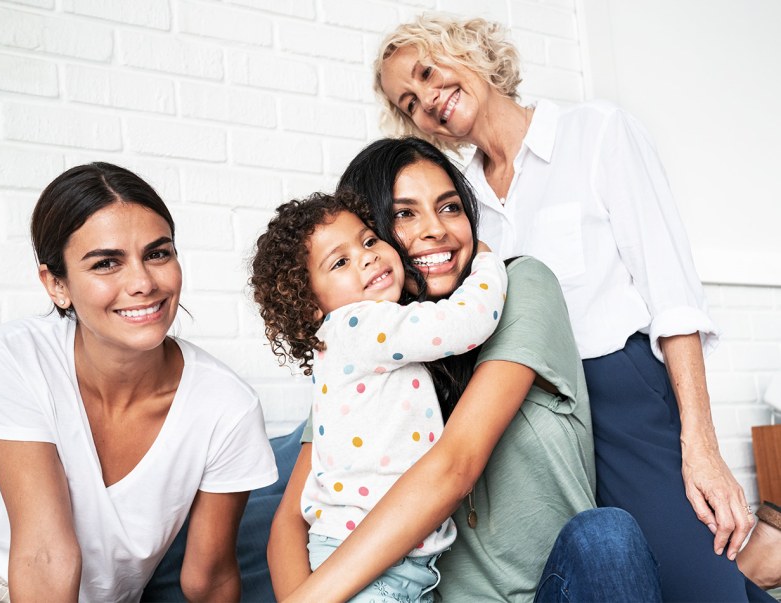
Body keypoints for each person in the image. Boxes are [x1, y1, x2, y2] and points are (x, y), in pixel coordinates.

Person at [372, 13, 778, 602]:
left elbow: (673, 300)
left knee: (698, 586)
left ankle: (758, 563)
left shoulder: (598, 133)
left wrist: (703, 446)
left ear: (468, 51)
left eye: (428, 72)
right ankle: (762, 562)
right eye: (408, 101)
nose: (427, 100)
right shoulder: (456, 199)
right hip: (530, 426)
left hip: (624, 401)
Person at [267, 137, 662, 602]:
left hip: (554, 591)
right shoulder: (357, 352)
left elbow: (455, 466)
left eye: (450, 207)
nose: (437, 229)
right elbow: (291, 521)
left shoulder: (520, 287)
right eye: (405, 214)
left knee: (606, 535)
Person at [0, 163, 278, 602]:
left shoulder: (228, 406)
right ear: (56, 284)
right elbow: (45, 554)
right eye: (106, 263)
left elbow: (208, 578)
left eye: (158, 254)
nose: (142, 283)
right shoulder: (16, 358)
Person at [250, 190, 508, 602]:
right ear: (310, 306)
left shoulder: (347, 342)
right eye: (340, 262)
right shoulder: (358, 323)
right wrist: (488, 263)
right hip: (375, 573)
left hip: (386, 567)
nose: (367, 257)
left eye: (369, 240)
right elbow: (465, 323)